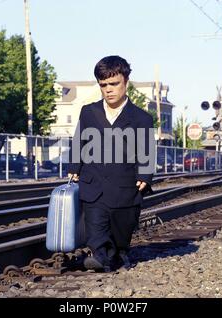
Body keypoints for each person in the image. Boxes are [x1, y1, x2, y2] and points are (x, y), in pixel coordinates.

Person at [68, 55, 155, 271]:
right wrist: (74, 167)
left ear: (126, 82)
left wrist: (145, 174)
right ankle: (99, 256)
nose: (109, 89)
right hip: (93, 184)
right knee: (96, 228)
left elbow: (147, 149)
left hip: (126, 186)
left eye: (114, 84)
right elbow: (80, 140)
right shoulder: (89, 112)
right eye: (103, 85)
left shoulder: (141, 118)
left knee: (121, 230)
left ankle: (118, 253)